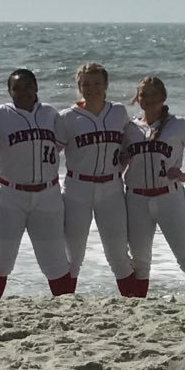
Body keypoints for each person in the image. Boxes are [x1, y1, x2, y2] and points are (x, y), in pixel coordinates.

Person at [0, 69, 73, 296]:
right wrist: (3, 163)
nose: (22, 92)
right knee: (2, 260)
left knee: (54, 260)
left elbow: (59, 145)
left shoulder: (50, 114)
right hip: (9, 194)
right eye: (17, 88)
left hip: (47, 194)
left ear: (36, 88)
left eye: (27, 86)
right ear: (9, 91)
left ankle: (64, 306)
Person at [123, 76, 185, 298]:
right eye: (144, 94)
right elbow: (121, 161)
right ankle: (138, 305)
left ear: (163, 97)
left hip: (169, 197)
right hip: (136, 199)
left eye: (154, 94)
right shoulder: (130, 128)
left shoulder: (179, 125)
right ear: (137, 98)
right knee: (140, 259)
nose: (149, 99)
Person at [56, 63, 135, 296]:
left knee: (118, 252)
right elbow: (50, 154)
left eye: (97, 83)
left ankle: (132, 301)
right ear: (79, 87)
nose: (91, 88)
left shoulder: (118, 112)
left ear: (106, 85)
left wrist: (121, 166)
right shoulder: (67, 117)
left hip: (111, 187)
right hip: (77, 187)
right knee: (73, 254)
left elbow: (128, 148)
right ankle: (65, 304)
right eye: (86, 84)